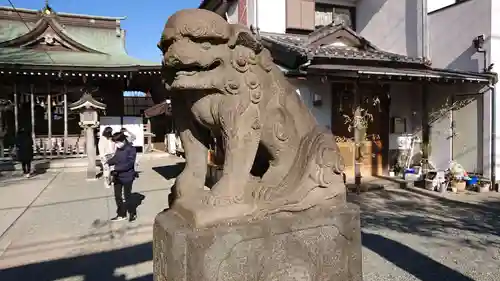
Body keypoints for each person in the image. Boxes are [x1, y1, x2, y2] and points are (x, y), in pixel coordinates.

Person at [107, 132, 137, 222]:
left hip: (127, 176)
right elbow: (116, 158)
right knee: (117, 196)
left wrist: (117, 169)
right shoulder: (118, 149)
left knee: (127, 196)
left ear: (123, 140)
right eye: (115, 142)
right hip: (117, 176)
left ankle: (132, 213)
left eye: (117, 142)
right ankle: (121, 214)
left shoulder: (131, 149)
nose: (117, 144)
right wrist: (109, 162)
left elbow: (130, 164)